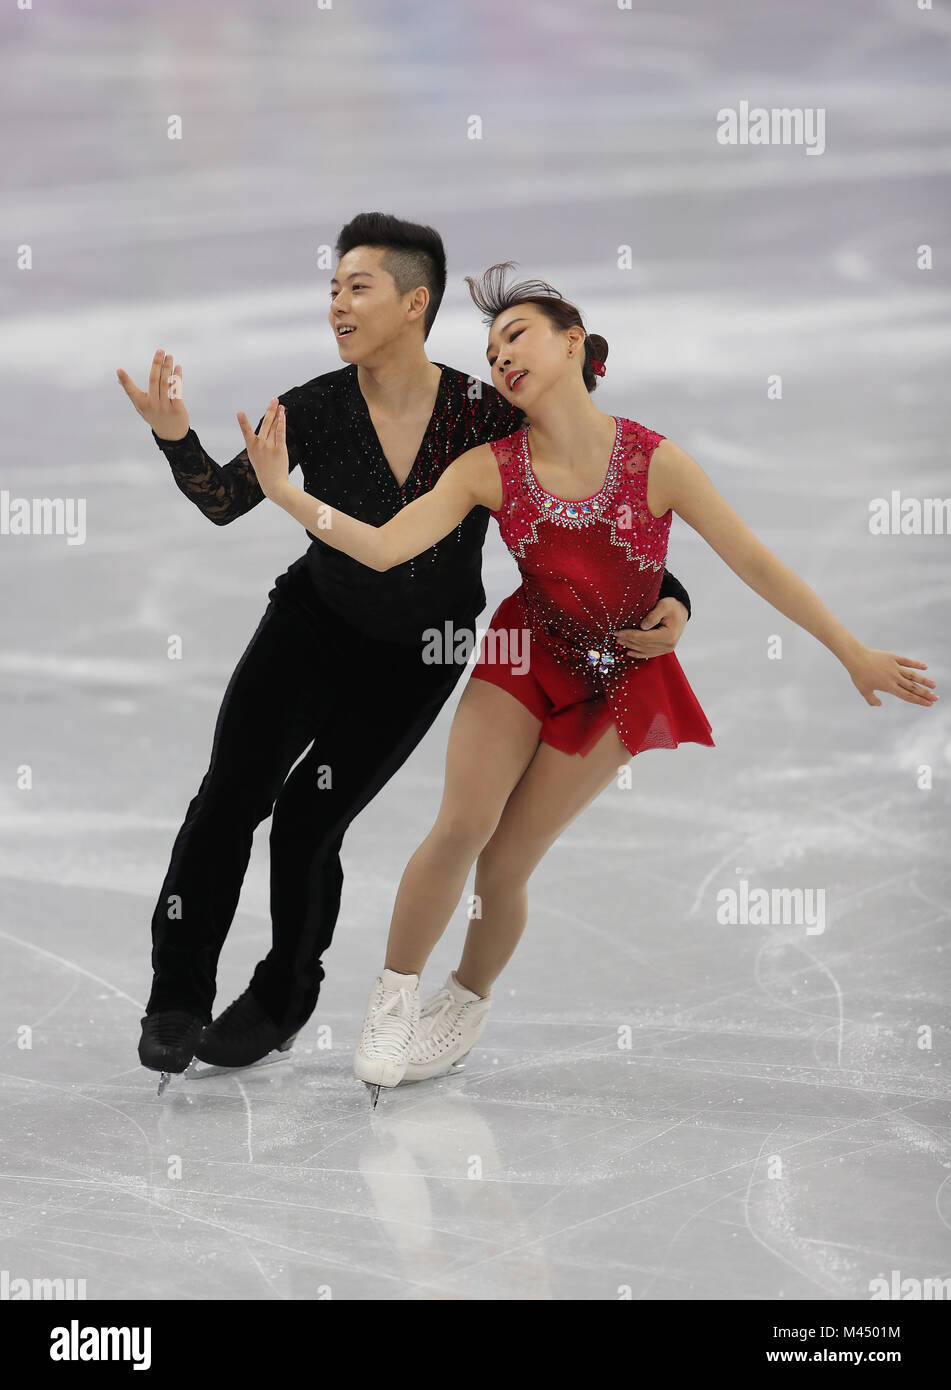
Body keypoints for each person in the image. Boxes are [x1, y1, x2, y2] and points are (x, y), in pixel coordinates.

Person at [239, 260, 939, 1101]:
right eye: (492, 352)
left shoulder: (656, 461)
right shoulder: (489, 466)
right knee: (461, 823)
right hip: (521, 657)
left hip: (618, 681)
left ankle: (462, 1003)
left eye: (516, 337)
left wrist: (849, 650)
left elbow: (752, 559)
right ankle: (393, 998)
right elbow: (388, 546)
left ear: (573, 343)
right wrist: (284, 494)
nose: (500, 360)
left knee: (505, 866)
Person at [115, 215, 695, 1087]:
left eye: (358, 288)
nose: (338, 306)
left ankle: (281, 999)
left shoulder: (482, 413)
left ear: (413, 302)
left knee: (311, 821)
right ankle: (175, 1000)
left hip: (420, 653)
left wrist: (671, 596)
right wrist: (175, 438)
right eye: (332, 290)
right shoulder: (311, 405)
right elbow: (231, 500)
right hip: (310, 625)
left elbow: (579, 520)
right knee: (229, 796)